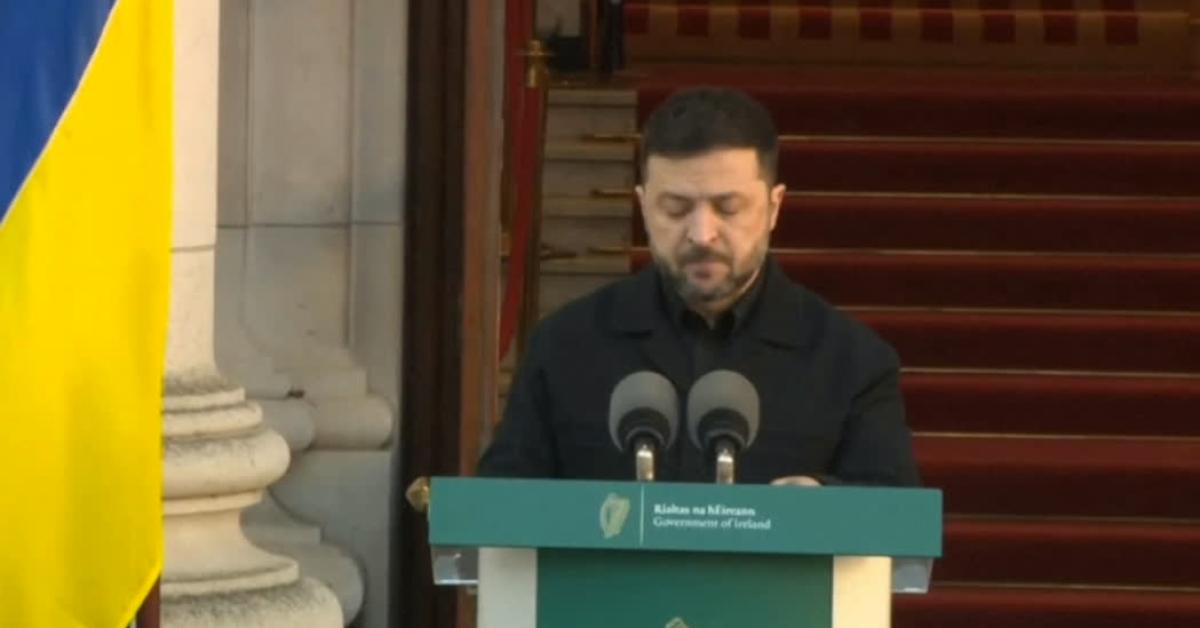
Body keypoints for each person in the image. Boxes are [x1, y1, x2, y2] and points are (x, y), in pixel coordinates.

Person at [478, 87, 919, 487]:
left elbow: (897, 518)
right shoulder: (566, 346)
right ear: (643, 207)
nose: (702, 234)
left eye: (728, 208)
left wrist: (826, 504)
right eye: (676, 209)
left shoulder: (851, 362)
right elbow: (501, 506)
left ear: (774, 207)